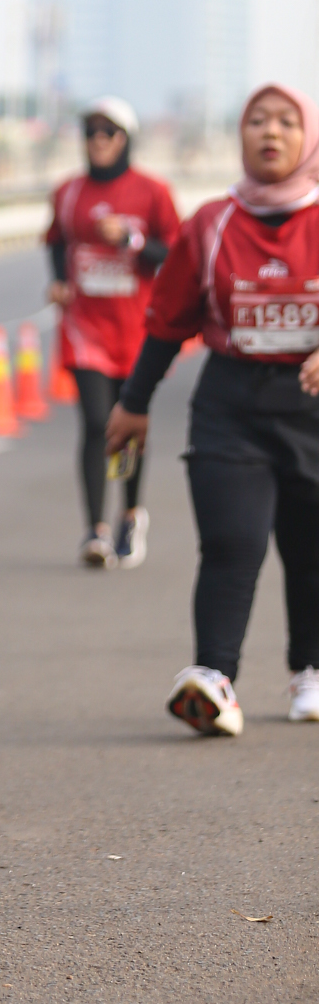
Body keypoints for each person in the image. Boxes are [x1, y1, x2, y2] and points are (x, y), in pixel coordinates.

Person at [106, 84, 319, 735]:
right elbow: (168, 321)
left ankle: (309, 672)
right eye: (257, 120)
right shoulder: (209, 224)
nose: (270, 132)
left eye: (286, 122)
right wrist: (133, 403)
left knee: (310, 549)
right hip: (232, 406)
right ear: (240, 136)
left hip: (311, 410)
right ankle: (214, 681)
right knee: (232, 542)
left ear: (308, 138)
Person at [44, 98, 179, 569]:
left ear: (126, 140)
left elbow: (174, 253)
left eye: (108, 132)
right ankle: (95, 531)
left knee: (128, 425)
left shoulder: (152, 192)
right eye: (90, 132)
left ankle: (129, 515)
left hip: (137, 329)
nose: (98, 140)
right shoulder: (68, 193)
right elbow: (55, 241)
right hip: (85, 328)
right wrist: (58, 281)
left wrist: (130, 239)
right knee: (96, 422)